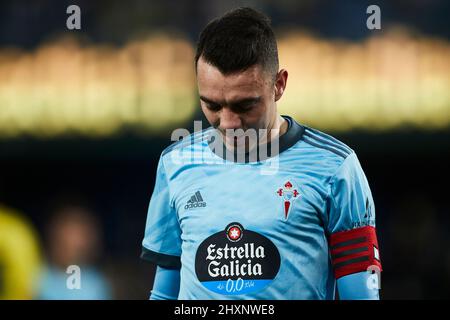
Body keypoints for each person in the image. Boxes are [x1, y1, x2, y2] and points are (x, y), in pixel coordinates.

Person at [141, 7, 382, 300]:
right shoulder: (174, 164)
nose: (228, 122)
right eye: (212, 105)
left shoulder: (336, 168)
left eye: (244, 106)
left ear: (279, 85)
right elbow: (165, 293)